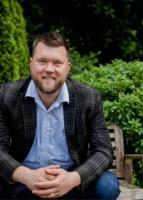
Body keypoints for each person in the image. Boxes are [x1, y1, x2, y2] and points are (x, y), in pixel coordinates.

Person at [0, 31, 120, 199]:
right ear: (31, 63)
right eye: (42, 61)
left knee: (107, 186)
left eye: (57, 63)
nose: (49, 69)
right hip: (23, 183)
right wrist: (25, 175)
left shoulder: (89, 97)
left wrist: (73, 178)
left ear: (68, 67)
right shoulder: (6, 95)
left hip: (72, 182)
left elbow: (103, 151)